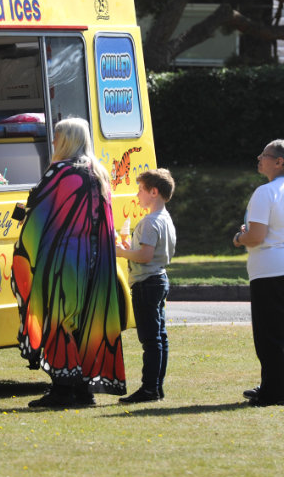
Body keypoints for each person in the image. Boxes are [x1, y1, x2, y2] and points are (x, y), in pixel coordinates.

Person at [11, 117, 127, 408]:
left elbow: (38, 212)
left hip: (64, 260)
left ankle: (63, 389)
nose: (52, 143)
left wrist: (23, 217)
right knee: (86, 321)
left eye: (56, 137)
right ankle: (83, 391)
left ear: (66, 140)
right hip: (95, 261)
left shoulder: (61, 173)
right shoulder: (98, 173)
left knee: (58, 319)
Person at [234, 139, 284, 406]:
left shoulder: (265, 192)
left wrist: (238, 238)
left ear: (279, 162)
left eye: (265, 155)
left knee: (271, 336)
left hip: (274, 270)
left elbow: (256, 236)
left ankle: (273, 395)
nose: (259, 157)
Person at [115, 169, 176, 404]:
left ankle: (149, 389)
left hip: (146, 283)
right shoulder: (165, 218)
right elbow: (147, 252)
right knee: (159, 337)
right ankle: (156, 388)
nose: (137, 194)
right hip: (159, 279)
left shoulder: (150, 222)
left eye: (141, 189)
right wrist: (131, 247)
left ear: (154, 192)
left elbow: (145, 256)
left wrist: (120, 251)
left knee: (150, 340)